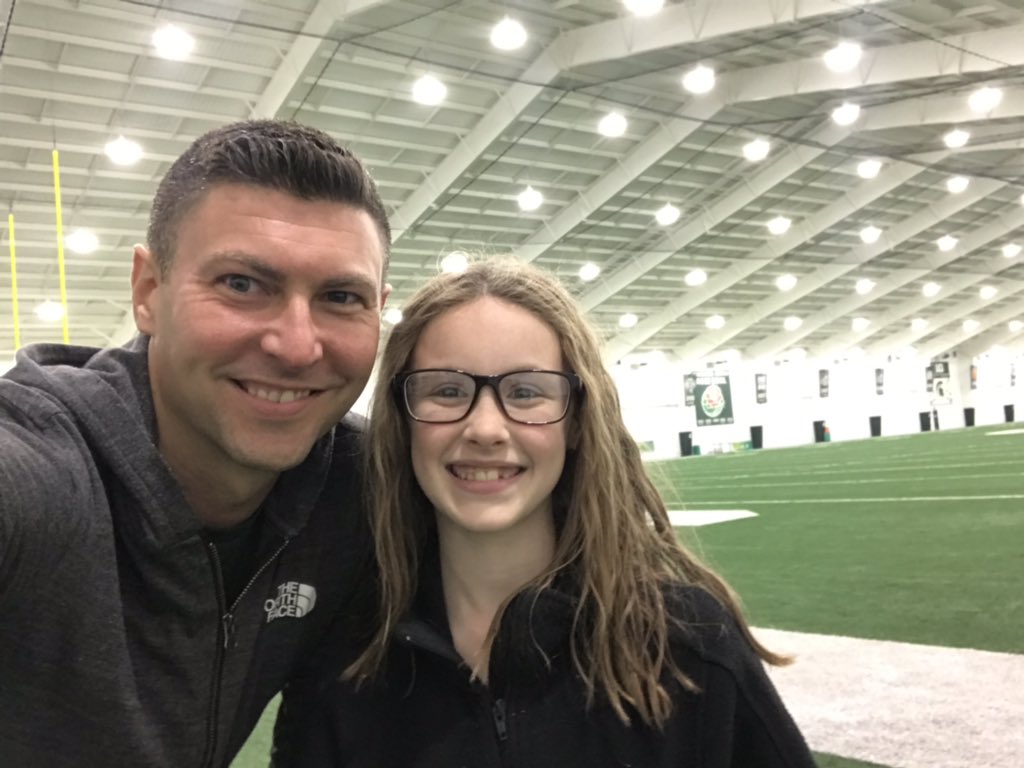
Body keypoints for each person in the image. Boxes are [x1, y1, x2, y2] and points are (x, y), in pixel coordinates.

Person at [272, 258, 817, 766]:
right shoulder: (340, 665)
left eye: (527, 392)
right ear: (402, 420)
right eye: (446, 390)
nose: (485, 429)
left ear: (577, 421)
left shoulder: (685, 644)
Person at [0, 119, 391, 767]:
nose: (296, 345)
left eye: (340, 297)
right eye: (241, 284)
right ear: (148, 292)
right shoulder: (45, 470)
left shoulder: (361, 489)